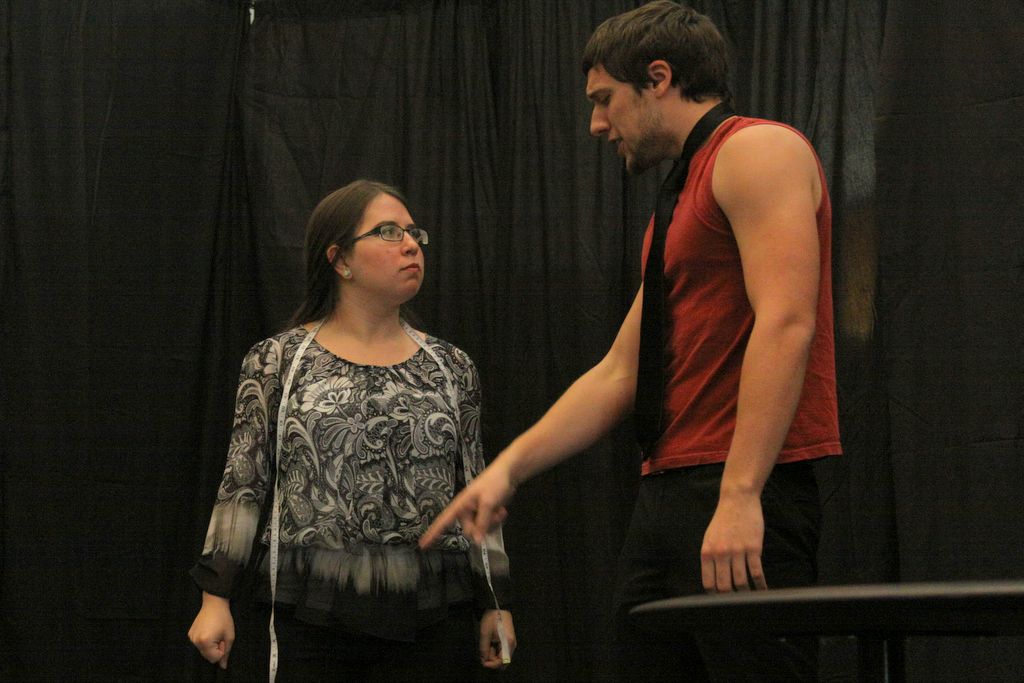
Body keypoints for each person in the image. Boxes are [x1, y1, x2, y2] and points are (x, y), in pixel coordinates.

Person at [420, 2, 840, 681]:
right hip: (670, 492)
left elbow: (787, 322)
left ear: (659, 77)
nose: (596, 123)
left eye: (604, 99)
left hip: (739, 482)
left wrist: (740, 494)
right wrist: (507, 469)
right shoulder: (680, 203)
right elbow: (619, 371)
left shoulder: (757, 151)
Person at [188, 179, 515, 681]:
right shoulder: (277, 361)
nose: (411, 245)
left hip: (431, 617)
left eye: (414, 233)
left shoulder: (451, 367)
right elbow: (243, 482)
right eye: (388, 232)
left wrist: (495, 601)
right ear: (340, 260)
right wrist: (216, 597)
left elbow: (476, 487)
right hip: (311, 616)